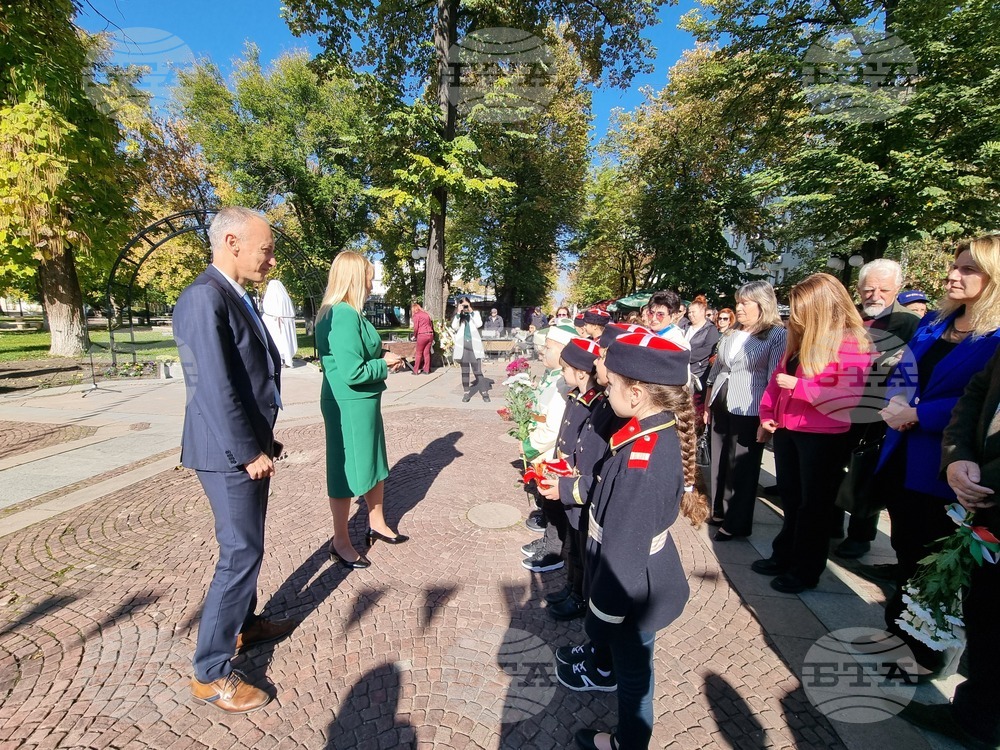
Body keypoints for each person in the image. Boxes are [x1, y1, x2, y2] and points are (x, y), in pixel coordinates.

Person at [558, 333, 708, 750]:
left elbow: (622, 559)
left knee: (634, 678)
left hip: (634, 595)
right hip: (643, 585)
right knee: (633, 669)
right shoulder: (648, 434)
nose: (606, 389)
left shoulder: (642, 460)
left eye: (612, 385)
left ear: (638, 394)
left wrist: (599, 619)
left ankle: (629, 743)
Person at [175, 206, 295, 714]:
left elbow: (249, 375)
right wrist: (247, 451)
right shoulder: (206, 296)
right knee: (239, 552)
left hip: (247, 446)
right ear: (231, 241)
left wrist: (262, 442)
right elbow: (213, 387)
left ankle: (244, 626)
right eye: (265, 248)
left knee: (249, 546)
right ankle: (210, 671)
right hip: (227, 453)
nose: (271, 258)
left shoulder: (232, 293)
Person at [873, 234, 1000, 677]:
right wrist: (896, 404)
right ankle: (900, 634)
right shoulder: (934, 324)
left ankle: (928, 658)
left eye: (969, 268)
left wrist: (918, 414)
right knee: (907, 550)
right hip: (901, 455)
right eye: (955, 264)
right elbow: (905, 372)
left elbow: (978, 401)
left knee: (935, 567)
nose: (953, 273)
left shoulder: (995, 337)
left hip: (944, 464)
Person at [899, 346, 1000, 748]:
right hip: (982, 498)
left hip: (990, 489)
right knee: (986, 611)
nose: (954, 277)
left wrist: (988, 478)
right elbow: (975, 396)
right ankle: (976, 714)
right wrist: (958, 457)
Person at [752, 274, 872, 593]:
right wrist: (766, 416)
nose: (794, 314)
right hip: (790, 429)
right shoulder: (800, 338)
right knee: (792, 500)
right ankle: (785, 555)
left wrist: (802, 388)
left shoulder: (852, 342)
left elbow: (849, 396)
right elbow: (777, 381)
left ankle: (805, 570)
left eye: (800, 307)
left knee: (814, 507)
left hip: (824, 435)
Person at [317, 252, 408, 571]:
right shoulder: (342, 314)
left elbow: (353, 352)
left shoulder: (343, 312)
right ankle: (340, 541)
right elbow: (353, 371)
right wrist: (385, 364)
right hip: (349, 403)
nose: (372, 283)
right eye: (369, 276)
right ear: (356, 278)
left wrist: (381, 351)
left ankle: (377, 522)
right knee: (344, 469)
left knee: (373, 459)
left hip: (360, 402)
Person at [833, 258, 920, 559]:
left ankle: (860, 534)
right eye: (868, 289)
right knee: (836, 467)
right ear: (858, 289)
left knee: (865, 470)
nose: (875, 295)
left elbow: (906, 369)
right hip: (841, 406)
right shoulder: (851, 317)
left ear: (897, 289)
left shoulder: (908, 322)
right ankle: (833, 523)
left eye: (883, 289)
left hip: (878, 411)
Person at [703, 281, 787, 540]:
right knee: (718, 460)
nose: (738, 307)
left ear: (762, 304)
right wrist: (707, 404)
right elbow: (716, 370)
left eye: (744, 303)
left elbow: (775, 377)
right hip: (720, 401)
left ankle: (737, 522)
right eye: (737, 301)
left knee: (742, 466)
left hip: (750, 407)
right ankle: (720, 510)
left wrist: (767, 417)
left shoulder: (775, 334)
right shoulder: (730, 332)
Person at [684, 295, 720, 420]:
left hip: (699, 373)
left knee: (695, 405)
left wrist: (684, 356)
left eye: (693, 312)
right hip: (682, 371)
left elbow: (707, 349)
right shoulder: (685, 327)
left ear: (702, 312)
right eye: (689, 312)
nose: (690, 315)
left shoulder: (710, 329)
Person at [451, 297, 490, 402]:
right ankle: (466, 393)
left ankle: (484, 392)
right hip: (463, 346)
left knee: (477, 370)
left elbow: (479, 324)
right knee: (465, 371)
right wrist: (459, 313)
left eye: (466, 304)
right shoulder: (458, 316)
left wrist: (471, 311)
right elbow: (454, 326)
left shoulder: (475, 314)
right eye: (462, 305)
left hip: (474, 346)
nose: (464, 307)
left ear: (469, 304)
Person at [261, 278, 297, 368]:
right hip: (285, 323)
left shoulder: (270, 296)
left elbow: (267, 309)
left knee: (275, 341)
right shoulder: (285, 297)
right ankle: (287, 360)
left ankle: (278, 360)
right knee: (285, 342)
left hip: (273, 323)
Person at [410, 301, 434, 374]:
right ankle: (426, 370)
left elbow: (416, 327)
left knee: (418, 353)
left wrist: (414, 335)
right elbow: (431, 325)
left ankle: (415, 370)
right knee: (426, 353)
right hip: (430, 334)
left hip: (422, 335)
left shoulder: (416, 315)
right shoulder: (426, 314)